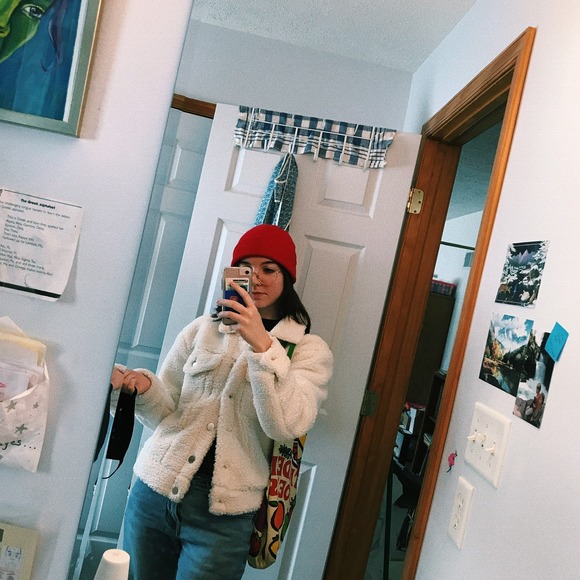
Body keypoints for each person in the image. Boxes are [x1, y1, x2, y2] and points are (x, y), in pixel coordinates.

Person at [111, 224, 333, 580]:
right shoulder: (203, 329)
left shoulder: (308, 350)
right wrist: (144, 388)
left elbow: (286, 426)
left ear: (287, 278)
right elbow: (165, 411)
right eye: (245, 267)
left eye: (269, 269)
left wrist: (263, 347)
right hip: (153, 492)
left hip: (224, 518)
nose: (255, 278)